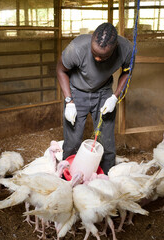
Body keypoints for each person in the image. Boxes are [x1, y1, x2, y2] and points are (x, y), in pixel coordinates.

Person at [56, 22, 133, 174]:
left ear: (115, 47)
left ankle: (105, 178)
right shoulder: (77, 47)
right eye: (94, 53)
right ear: (91, 40)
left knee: (107, 140)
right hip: (77, 92)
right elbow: (60, 70)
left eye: (103, 56)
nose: (97, 59)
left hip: (104, 92)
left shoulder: (126, 49)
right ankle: (68, 178)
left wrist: (114, 97)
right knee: (73, 140)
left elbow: (127, 72)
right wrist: (69, 101)